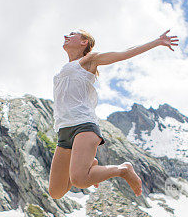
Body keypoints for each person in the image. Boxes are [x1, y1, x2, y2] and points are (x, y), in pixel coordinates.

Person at [48, 28, 179, 199]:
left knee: (80, 180)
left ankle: (123, 170)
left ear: (84, 42)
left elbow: (124, 53)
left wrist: (156, 42)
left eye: (72, 35)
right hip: (63, 130)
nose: (66, 36)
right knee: (56, 192)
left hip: (83, 126)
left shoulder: (89, 60)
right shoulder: (64, 69)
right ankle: (91, 166)